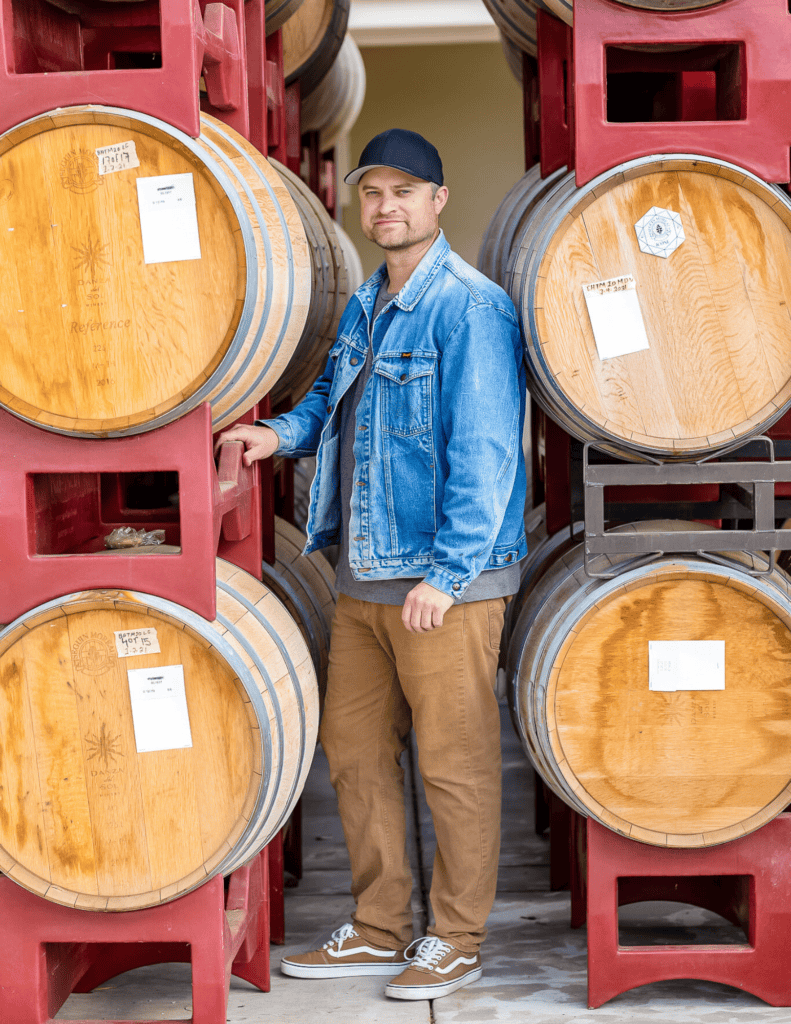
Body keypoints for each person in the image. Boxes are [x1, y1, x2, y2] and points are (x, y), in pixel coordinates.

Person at [215, 128, 527, 1001]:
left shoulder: (469, 308)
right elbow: (327, 401)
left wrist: (448, 573)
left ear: (438, 200)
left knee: (454, 765)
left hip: (441, 585)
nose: (385, 207)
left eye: (403, 191)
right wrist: (273, 434)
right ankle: (383, 923)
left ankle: (455, 938)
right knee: (352, 751)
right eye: (373, 193)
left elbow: (488, 453)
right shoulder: (364, 302)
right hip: (361, 574)